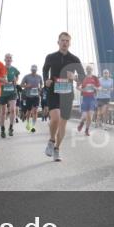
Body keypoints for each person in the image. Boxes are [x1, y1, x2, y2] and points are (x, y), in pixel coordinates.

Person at [42, 32, 86, 162]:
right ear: (58, 42)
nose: (65, 43)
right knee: (55, 119)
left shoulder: (74, 59)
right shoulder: (50, 57)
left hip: (67, 94)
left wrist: (75, 78)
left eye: (67, 40)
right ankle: (51, 140)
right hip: (53, 92)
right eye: (62, 40)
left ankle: (56, 149)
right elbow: (45, 70)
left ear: (70, 43)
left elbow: (82, 77)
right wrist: (46, 80)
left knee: (63, 124)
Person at [0, 54, 21, 137]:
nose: (8, 59)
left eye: (10, 58)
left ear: (12, 60)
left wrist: (16, 80)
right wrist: (2, 82)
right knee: (3, 112)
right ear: (4, 59)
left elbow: (17, 77)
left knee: (12, 109)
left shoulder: (14, 69)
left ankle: (11, 127)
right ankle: (2, 129)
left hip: (12, 92)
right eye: (7, 58)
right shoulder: (1, 68)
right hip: (3, 92)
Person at [77, 65, 100, 136]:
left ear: (92, 70)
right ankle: (81, 123)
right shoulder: (83, 77)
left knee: (90, 115)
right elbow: (77, 87)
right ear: (86, 70)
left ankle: (87, 130)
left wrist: (95, 87)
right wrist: (82, 89)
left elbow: (99, 88)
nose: (89, 70)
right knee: (84, 115)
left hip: (92, 98)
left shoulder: (95, 78)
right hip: (84, 98)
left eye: (90, 69)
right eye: (87, 69)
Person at [20, 65, 43, 132]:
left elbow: (41, 84)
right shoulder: (26, 76)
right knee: (29, 111)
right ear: (31, 70)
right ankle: (28, 124)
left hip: (36, 96)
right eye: (33, 70)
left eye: (35, 70)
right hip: (28, 96)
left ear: (36, 70)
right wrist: (27, 86)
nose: (33, 71)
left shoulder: (39, 77)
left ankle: (33, 126)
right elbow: (21, 85)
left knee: (35, 111)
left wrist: (40, 89)